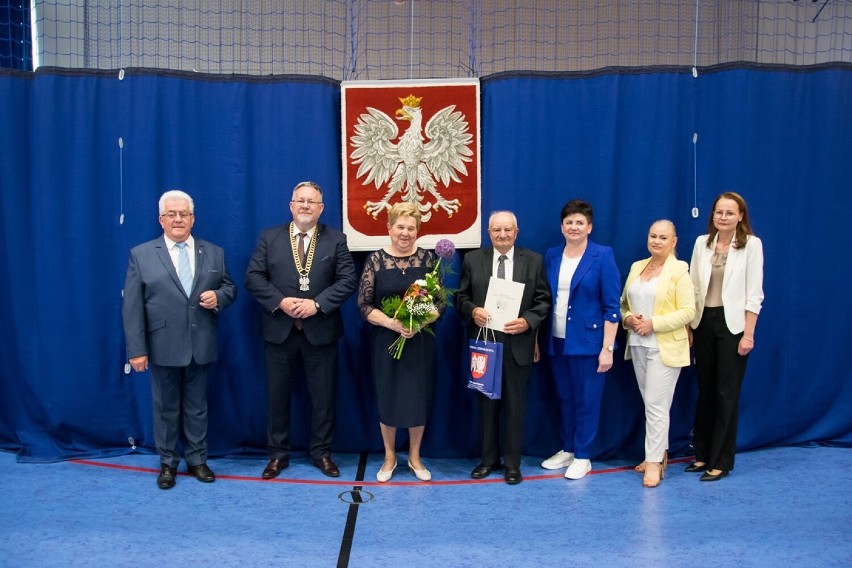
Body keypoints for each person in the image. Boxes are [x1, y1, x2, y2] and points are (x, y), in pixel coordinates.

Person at [122, 190, 237, 489]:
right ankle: (168, 464)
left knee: (197, 406)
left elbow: (230, 288)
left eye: (183, 214)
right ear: (161, 219)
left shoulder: (214, 252)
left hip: (201, 343)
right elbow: (132, 307)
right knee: (165, 408)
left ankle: (198, 460)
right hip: (162, 346)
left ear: (192, 219)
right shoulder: (142, 254)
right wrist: (137, 350)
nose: (177, 219)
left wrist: (219, 297)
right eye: (171, 214)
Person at [245, 181, 357, 479]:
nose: (306, 206)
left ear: (321, 209)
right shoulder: (269, 237)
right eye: (301, 201)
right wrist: (280, 302)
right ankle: (277, 455)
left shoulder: (336, 240)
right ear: (291, 205)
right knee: (277, 397)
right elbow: (253, 277)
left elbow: (347, 281)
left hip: (321, 331)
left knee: (323, 398)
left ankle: (322, 454)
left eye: (312, 202)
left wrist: (317, 305)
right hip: (278, 331)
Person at [456, 211, 551, 485]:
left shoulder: (533, 260)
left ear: (517, 232)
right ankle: (488, 460)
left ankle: (512, 464)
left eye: (508, 230)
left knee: (515, 407)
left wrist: (527, 322)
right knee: (486, 406)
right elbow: (461, 297)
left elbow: (543, 300)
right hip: (484, 344)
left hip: (518, 344)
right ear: (489, 233)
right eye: (497, 230)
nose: (503, 235)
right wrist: (472, 311)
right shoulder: (473, 260)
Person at [357, 202, 445, 483]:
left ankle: (415, 456)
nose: (405, 233)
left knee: (418, 397)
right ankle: (390, 456)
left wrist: (419, 322)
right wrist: (394, 323)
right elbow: (363, 305)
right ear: (389, 228)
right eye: (400, 227)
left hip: (420, 342)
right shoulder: (375, 261)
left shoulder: (429, 260)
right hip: (386, 341)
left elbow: (440, 303)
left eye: (411, 228)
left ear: (418, 231)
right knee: (388, 396)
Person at [540, 199, 621, 480]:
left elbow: (612, 307)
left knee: (587, 400)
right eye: (569, 222)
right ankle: (569, 448)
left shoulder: (603, 255)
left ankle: (584, 456)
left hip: (589, 343)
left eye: (580, 222)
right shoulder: (551, 255)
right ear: (562, 227)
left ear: (589, 227)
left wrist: (607, 348)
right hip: (557, 340)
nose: (574, 227)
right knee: (565, 398)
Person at [687, 192, 763, 481]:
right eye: (719, 212)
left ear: (741, 216)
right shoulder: (701, 243)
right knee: (705, 391)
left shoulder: (751, 245)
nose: (723, 217)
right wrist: (689, 327)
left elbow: (754, 294)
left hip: (733, 327)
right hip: (703, 321)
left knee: (725, 393)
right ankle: (702, 455)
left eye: (730, 213)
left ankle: (720, 461)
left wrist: (749, 335)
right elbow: (693, 287)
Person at [620, 220, 695, 487]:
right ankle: (658, 453)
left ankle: (653, 463)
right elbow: (623, 304)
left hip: (665, 347)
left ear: (674, 241)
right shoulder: (637, 267)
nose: (657, 241)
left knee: (655, 405)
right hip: (638, 345)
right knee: (653, 404)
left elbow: (688, 311)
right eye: (653, 236)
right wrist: (628, 319)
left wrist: (654, 324)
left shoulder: (679, 270)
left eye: (663, 237)